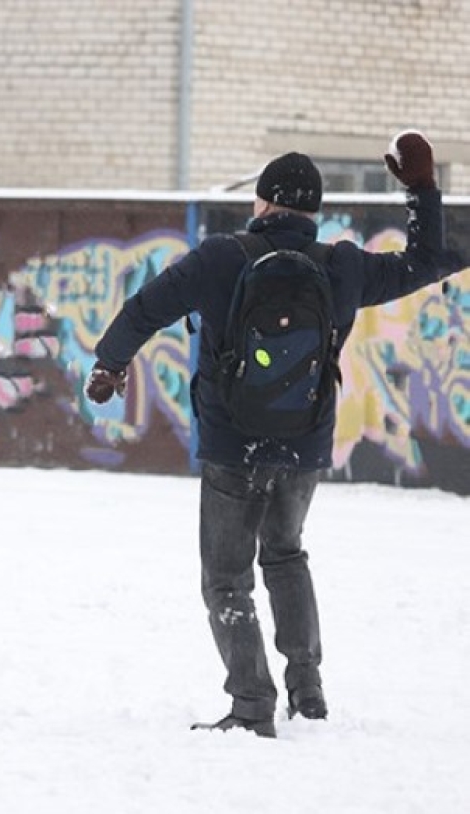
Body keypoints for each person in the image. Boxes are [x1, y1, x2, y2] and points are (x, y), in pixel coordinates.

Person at [85, 131, 461, 737]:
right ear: (311, 214)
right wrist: (422, 192)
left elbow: (144, 309)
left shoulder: (220, 258)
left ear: (262, 205)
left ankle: (251, 703)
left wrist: (109, 364)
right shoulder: (341, 265)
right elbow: (427, 264)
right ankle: (306, 692)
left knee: (227, 577)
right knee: (286, 554)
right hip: (305, 445)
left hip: (233, 447)